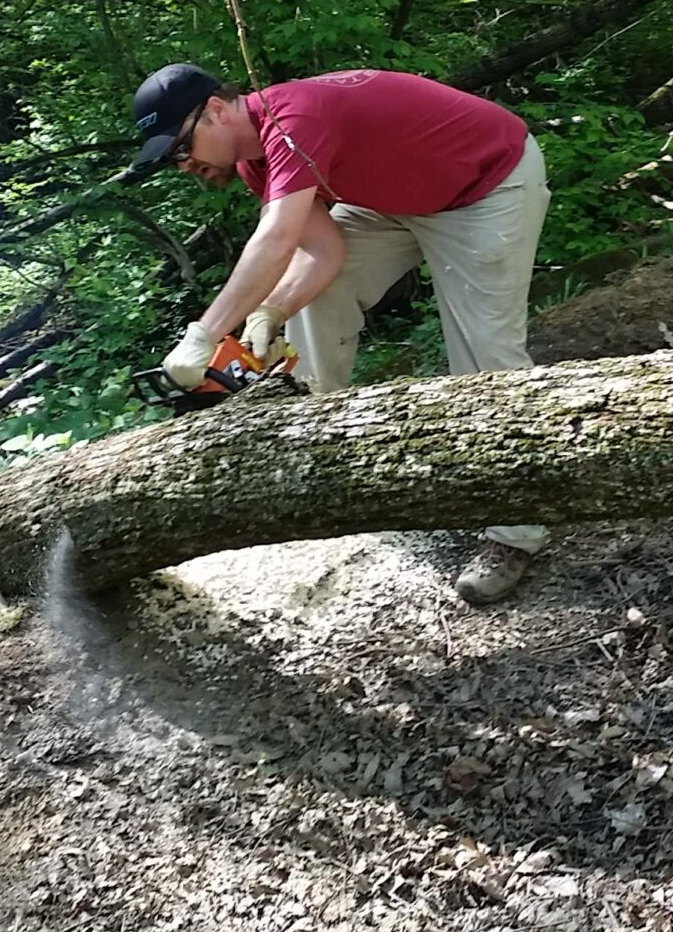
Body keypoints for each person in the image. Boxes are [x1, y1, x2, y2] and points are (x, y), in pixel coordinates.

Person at [126, 63, 553, 605]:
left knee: (486, 359)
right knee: (310, 301)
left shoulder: (294, 118)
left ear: (214, 109)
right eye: (171, 160)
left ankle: (515, 535)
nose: (184, 164)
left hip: (486, 188)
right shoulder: (259, 162)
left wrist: (206, 333)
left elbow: (276, 236)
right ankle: (313, 450)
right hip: (395, 201)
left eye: (182, 148)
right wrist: (272, 311)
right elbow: (322, 252)